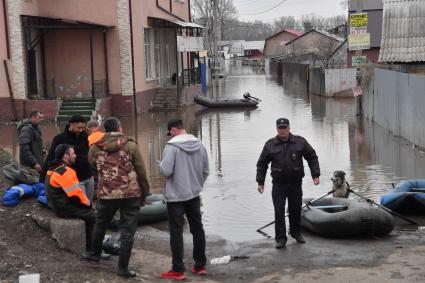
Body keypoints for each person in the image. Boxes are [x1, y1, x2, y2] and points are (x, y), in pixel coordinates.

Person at [83, 117, 150, 278]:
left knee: (100, 224)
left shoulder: (94, 148)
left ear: (104, 129)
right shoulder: (131, 145)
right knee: (128, 230)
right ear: (119, 128)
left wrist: (103, 180)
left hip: (106, 193)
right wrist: (145, 192)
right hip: (130, 194)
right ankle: (123, 268)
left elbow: (92, 167)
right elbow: (141, 171)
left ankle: (95, 254)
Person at [256, 118, 320, 249]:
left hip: (295, 183)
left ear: (289, 128)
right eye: (280, 128)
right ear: (277, 129)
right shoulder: (270, 145)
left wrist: (315, 175)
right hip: (278, 185)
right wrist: (260, 182)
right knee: (279, 211)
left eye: (284, 127)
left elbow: (312, 157)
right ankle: (280, 239)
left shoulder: (300, 142)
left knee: (295, 209)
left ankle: (296, 233)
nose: (282, 130)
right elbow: (262, 164)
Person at [159, 119, 209, 281]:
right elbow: (206, 170)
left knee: (176, 231)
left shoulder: (171, 147)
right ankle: (200, 265)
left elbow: (166, 171)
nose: (170, 135)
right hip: (194, 195)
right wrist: (196, 185)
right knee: (197, 229)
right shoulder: (199, 144)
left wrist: (160, 165)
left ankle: (178, 269)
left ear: (173, 130)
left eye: (170, 132)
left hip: (175, 197)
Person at [44, 144, 96, 255]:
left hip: (55, 205)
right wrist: (89, 204)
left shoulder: (52, 169)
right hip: (63, 208)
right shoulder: (66, 172)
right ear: (66, 155)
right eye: (73, 153)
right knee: (94, 217)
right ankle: (92, 251)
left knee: (88, 213)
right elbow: (76, 196)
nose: (75, 156)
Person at [41, 115, 94, 202]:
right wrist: (43, 178)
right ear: (71, 124)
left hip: (88, 175)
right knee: (82, 204)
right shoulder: (60, 138)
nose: (80, 130)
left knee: (89, 203)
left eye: (82, 128)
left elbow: (87, 152)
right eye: (79, 128)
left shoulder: (84, 135)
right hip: (75, 178)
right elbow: (51, 157)